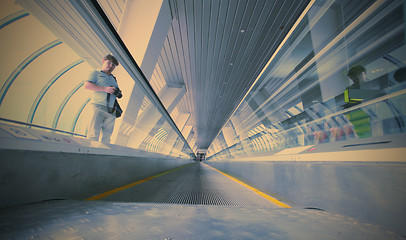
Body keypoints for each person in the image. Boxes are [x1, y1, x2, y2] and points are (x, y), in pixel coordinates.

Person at [84, 54, 122, 143]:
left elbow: (115, 91)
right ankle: (90, 153)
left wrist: (118, 93)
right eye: (109, 63)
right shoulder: (95, 73)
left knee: (107, 136)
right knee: (93, 134)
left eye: (113, 65)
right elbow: (87, 85)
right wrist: (105, 89)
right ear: (103, 61)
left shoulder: (113, 78)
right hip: (98, 106)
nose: (111, 66)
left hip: (111, 110)